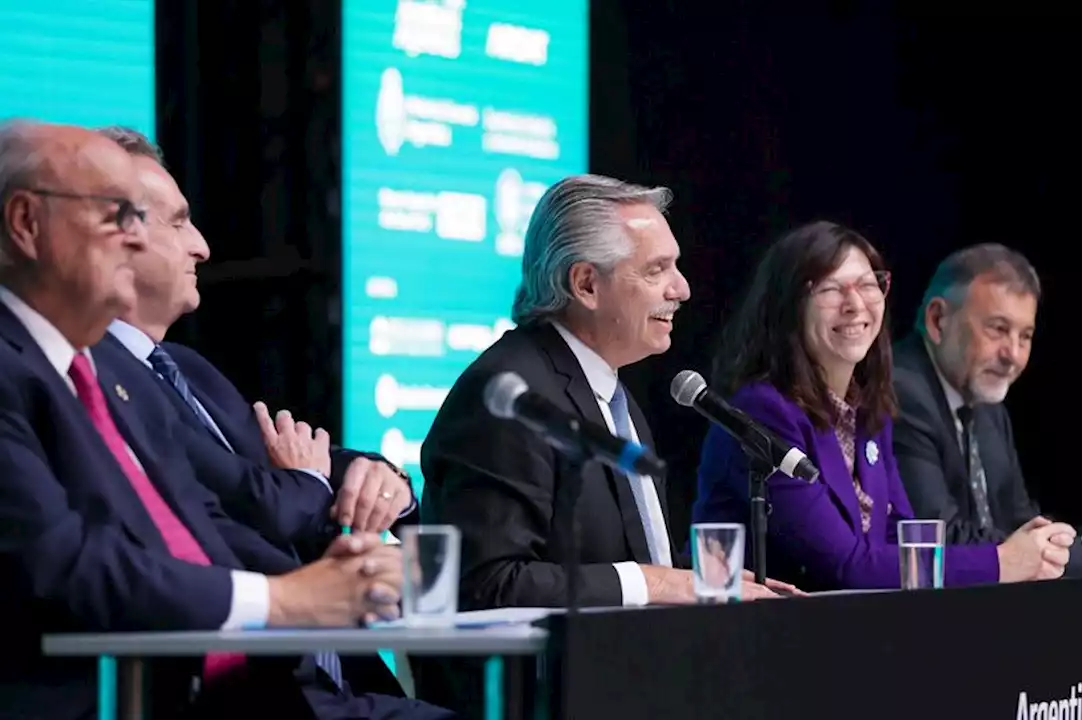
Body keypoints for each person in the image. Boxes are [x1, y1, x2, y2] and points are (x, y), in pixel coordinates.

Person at [0, 119, 415, 718]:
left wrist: (338, 562)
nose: (138, 242)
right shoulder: (23, 371)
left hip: (244, 686)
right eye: (119, 215)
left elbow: (208, 523)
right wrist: (282, 599)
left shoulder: (100, 377)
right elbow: (63, 563)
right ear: (26, 224)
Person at [421, 174, 784, 608]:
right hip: (549, 675)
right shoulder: (510, 399)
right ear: (586, 285)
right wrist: (660, 584)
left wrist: (700, 577)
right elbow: (491, 582)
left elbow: (616, 555)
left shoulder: (606, 389)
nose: (682, 289)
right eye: (657, 270)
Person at [693, 221, 1075, 590]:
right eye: (831, 289)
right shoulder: (765, 411)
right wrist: (1001, 561)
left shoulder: (867, 409)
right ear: (790, 305)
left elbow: (901, 540)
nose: (855, 304)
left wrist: (1030, 549)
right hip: (764, 638)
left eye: (867, 285)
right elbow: (847, 565)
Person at [96, 126, 416, 556]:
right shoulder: (97, 370)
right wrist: (309, 480)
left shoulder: (184, 366)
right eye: (177, 222)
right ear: (116, 238)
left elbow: (287, 456)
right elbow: (258, 499)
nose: (202, 247)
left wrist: (383, 478)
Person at [892, 243, 1082, 575]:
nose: (1013, 355)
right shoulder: (899, 393)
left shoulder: (986, 406)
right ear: (937, 320)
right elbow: (940, 541)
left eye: (1026, 336)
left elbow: (1023, 526)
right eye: (998, 329)